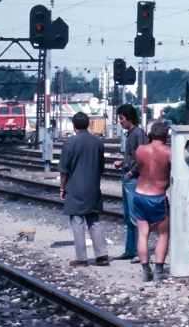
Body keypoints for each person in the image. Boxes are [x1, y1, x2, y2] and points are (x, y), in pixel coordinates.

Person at [58, 111, 109, 267]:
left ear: (74, 126)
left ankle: (81, 258)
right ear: (88, 124)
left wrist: (62, 188)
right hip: (93, 187)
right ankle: (102, 255)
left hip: (75, 188)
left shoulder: (70, 143)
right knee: (94, 220)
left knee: (77, 222)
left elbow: (64, 170)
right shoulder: (98, 142)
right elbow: (101, 167)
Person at [134, 119, 172, 282]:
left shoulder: (140, 150)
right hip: (156, 197)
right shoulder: (169, 152)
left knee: (143, 234)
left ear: (150, 135)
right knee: (163, 234)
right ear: (166, 136)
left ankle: (145, 271)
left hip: (139, 194)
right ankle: (158, 271)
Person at [112, 104, 146, 260]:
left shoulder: (139, 134)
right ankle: (130, 250)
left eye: (121, 118)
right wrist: (123, 163)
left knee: (135, 216)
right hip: (127, 176)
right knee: (128, 216)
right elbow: (133, 156)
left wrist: (132, 172)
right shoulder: (131, 134)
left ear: (129, 118)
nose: (120, 121)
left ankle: (139, 252)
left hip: (133, 179)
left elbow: (142, 157)